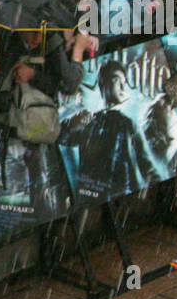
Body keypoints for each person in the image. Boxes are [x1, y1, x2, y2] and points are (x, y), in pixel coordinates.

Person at [60, 60, 159, 197]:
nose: (122, 87)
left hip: (120, 196)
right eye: (117, 81)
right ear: (103, 83)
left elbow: (148, 168)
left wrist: (149, 191)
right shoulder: (89, 121)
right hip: (91, 196)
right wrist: (72, 125)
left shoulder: (128, 124)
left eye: (124, 83)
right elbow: (63, 139)